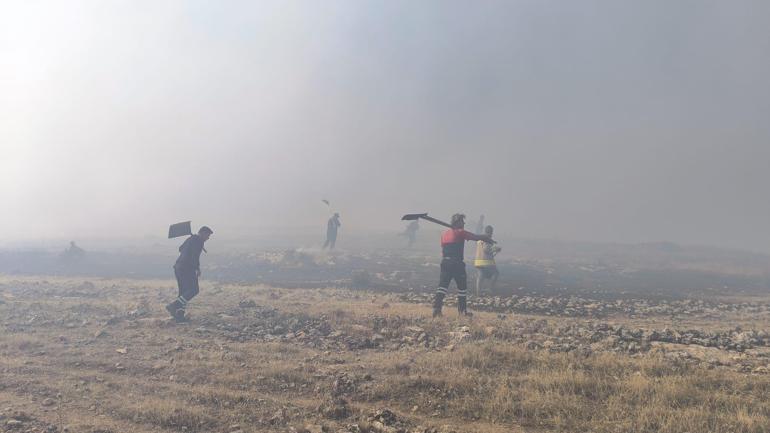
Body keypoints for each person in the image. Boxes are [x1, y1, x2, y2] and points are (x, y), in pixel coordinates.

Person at [433, 214, 494, 317]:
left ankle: (436, 309)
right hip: (457, 264)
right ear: (457, 222)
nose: (464, 223)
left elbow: (443, 249)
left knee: (442, 287)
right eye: (462, 221)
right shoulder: (461, 232)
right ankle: (462, 312)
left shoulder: (444, 234)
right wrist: (486, 238)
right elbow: (475, 237)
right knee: (462, 288)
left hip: (445, 262)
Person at [165, 226, 213, 322]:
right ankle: (174, 306)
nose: (208, 238)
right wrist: (197, 268)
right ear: (202, 233)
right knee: (194, 290)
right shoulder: (198, 241)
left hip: (178, 267)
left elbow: (180, 249)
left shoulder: (191, 239)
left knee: (183, 293)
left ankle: (179, 316)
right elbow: (194, 257)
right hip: (187, 269)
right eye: (207, 235)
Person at [474, 225, 501, 296]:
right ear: (490, 232)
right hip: (486, 262)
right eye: (491, 232)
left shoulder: (479, 239)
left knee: (480, 276)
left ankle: (478, 292)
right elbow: (486, 249)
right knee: (495, 273)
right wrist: (496, 249)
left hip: (478, 261)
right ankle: (490, 288)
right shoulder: (487, 239)